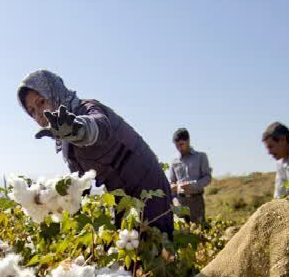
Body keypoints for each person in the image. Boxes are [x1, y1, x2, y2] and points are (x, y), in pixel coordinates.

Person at [17, 69, 174, 237]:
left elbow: (100, 126)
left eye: (41, 102)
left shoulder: (86, 109)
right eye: (32, 110)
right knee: (130, 253)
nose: (39, 114)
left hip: (147, 185)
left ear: (54, 93)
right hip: (120, 195)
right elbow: (81, 183)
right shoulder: (65, 144)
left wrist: (76, 129)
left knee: (155, 247)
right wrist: (51, 200)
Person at [168, 128, 211, 223]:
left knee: (199, 231)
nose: (179, 148)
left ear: (188, 141)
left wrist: (192, 185)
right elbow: (171, 182)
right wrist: (173, 187)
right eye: (176, 146)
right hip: (180, 202)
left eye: (181, 144)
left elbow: (207, 178)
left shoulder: (201, 157)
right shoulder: (174, 162)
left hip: (196, 201)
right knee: (182, 234)